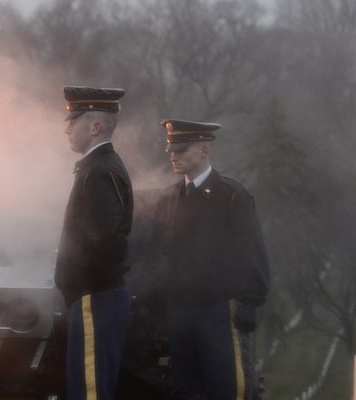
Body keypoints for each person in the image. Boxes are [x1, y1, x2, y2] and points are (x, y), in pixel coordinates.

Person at [152, 119, 270, 400]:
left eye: (181, 149)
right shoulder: (170, 198)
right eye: (171, 149)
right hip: (180, 310)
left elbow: (251, 253)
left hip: (218, 310)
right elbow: (161, 253)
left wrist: (249, 304)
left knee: (228, 387)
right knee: (185, 389)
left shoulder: (232, 196)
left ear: (204, 150)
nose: (173, 155)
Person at [55, 86, 133, 400]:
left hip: (94, 297)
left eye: (72, 120)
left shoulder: (99, 171)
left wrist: (76, 284)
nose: (66, 128)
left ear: (95, 127)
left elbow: (104, 242)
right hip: (93, 297)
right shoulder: (97, 167)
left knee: (89, 391)